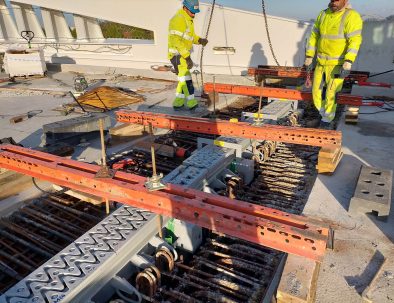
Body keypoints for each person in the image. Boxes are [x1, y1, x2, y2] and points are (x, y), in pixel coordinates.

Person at [304, 0, 363, 128]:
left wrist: (348, 61)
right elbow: (314, 36)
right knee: (316, 92)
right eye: (332, 0)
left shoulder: (351, 16)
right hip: (321, 63)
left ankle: (327, 120)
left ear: (345, 1)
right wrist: (309, 56)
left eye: (337, 0)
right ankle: (323, 113)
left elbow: (355, 41)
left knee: (331, 93)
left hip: (338, 64)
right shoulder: (323, 14)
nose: (333, 2)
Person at [168, 0, 208, 110]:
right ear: (185, 8)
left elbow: (190, 37)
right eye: (192, 12)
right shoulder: (178, 19)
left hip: (182, 54)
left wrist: (199, 40)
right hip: (177, 55)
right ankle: (191, 102)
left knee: (182, 80)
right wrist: (187, 56)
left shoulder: (188, 19)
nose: (194, 14)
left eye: (195, 12)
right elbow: (176, 41)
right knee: (186, 79)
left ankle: (178, 101)